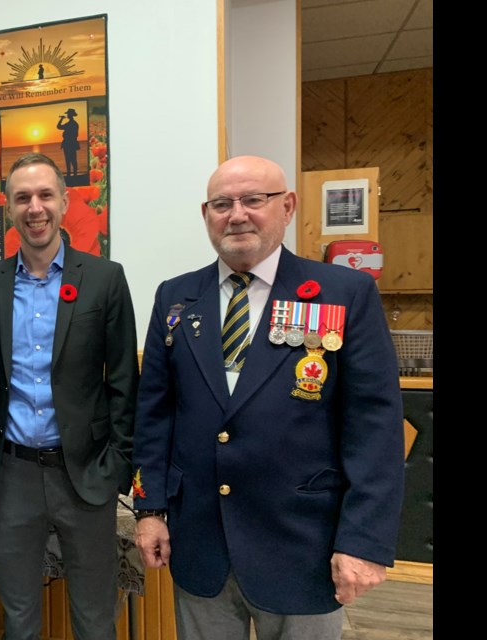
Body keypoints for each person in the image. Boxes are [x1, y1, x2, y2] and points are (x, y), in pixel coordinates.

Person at [131, 155, 404, 640]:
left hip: (303, 543)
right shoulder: (175, 297)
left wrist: (364, 540)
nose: (237, 214)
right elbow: (155, 413)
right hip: (201, 542)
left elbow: (374, 427)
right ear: (206, 214)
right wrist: (150, 510)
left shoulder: (343, 294)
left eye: (254, 200)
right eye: (222, 204)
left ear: (288, 206)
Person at [0, 153, 139, 640]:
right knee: (18, 618)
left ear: (65, 202)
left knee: (94, 616)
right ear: (9, 208)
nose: (35, 207)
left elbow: (125, 382)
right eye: (22, 197)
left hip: (85, 474)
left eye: (45, 195)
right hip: (12, 476)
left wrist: (118, 466)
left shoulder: (105, 279)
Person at [56, 108, 80, 178]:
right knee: (70, 159)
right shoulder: (73, 123)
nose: (68, 115)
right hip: (69, 143)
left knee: (71, 160)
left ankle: (72, 175)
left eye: (68, 114)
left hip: (69, 143)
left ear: (71, 115)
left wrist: (61, 119)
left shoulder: (71, 124)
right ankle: (72, 174)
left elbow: (59, 126)